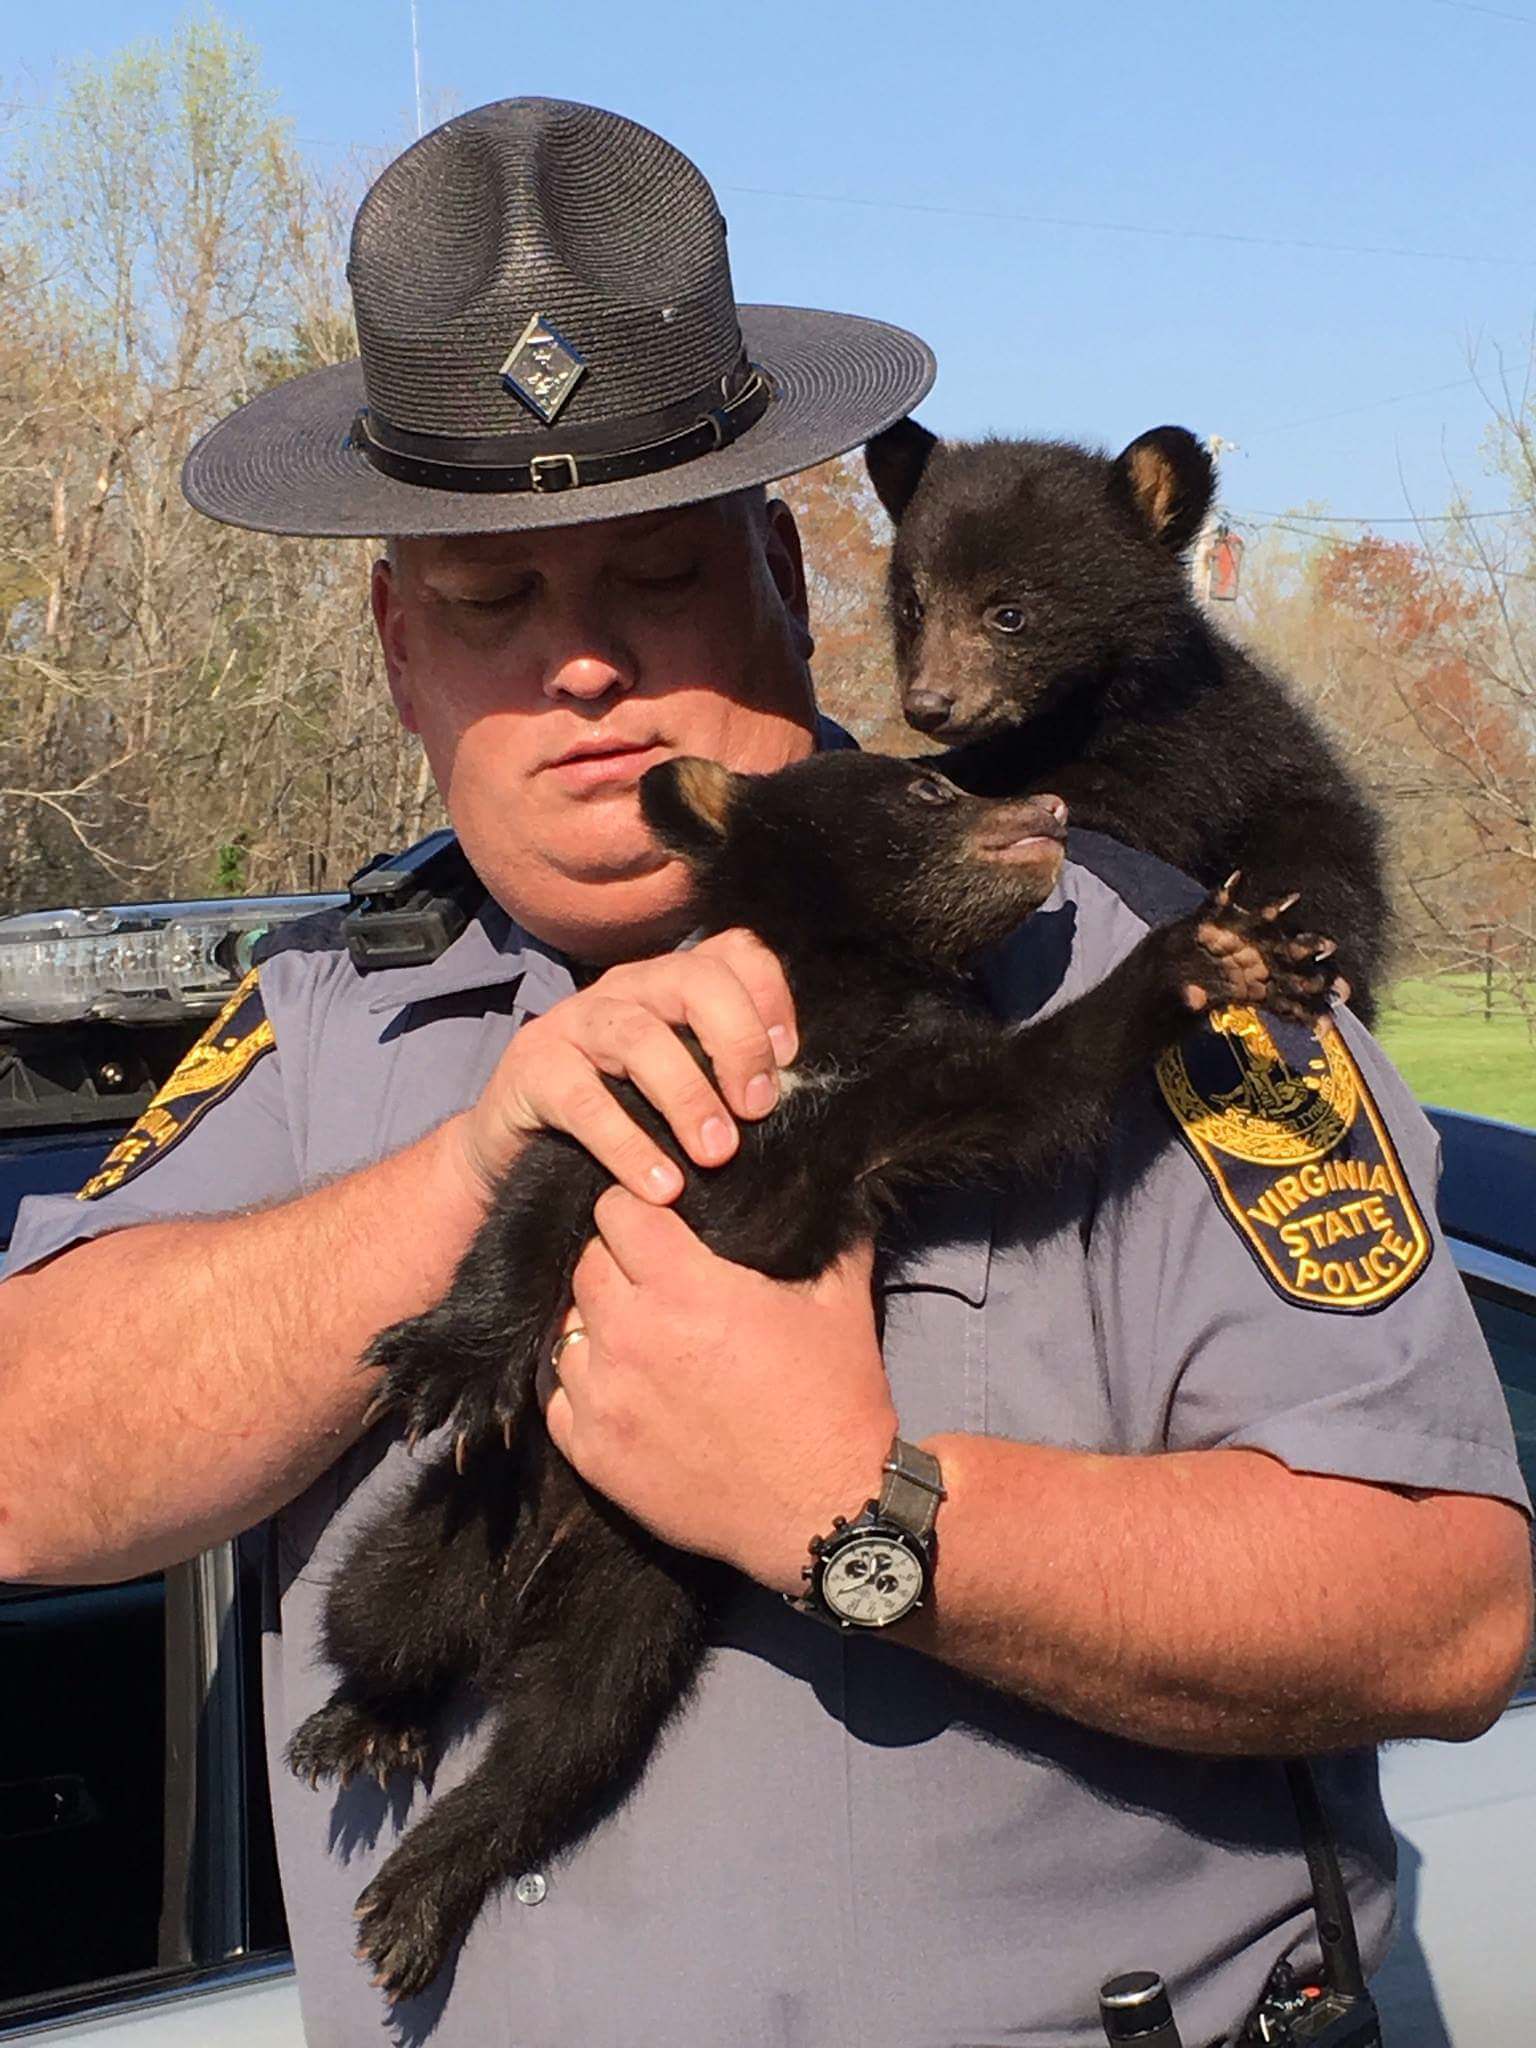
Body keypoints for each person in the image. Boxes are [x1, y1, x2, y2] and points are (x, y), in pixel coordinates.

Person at [0, 98, 1528, 2048]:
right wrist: (476, 1163)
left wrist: (853, 1508)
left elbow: (1445, 1599)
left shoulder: (1141, 956)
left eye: (650, 577)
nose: (578, 668)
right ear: (399, 648)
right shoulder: (324, 1014)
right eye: (489, 600)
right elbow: (28, 1471)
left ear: (790, 585)